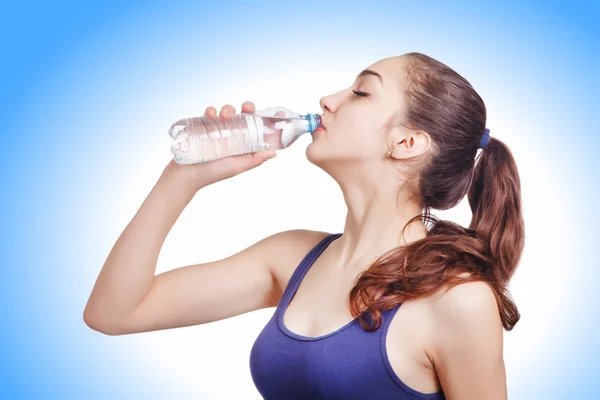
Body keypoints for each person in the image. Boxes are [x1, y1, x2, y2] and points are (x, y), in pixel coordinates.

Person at [84, 52, 524, 399]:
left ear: (406, 142)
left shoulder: (458, 300)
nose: (328, 100)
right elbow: (114, 313)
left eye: (361, 92)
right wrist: (181, 178)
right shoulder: (291, 257)